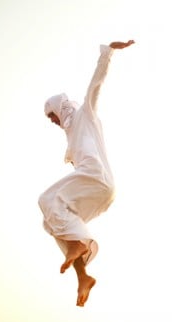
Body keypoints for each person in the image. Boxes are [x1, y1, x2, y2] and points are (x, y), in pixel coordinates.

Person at [39, 39, 135, 307]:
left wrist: (109, 52)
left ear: (60, 107)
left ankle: (79, 246)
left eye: (52, 116)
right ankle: (83, 276)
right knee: (53, 223)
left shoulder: (85, 114)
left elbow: (96, 84)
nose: (53, 121)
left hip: (96, 178)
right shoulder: (70, 135)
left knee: (46, 200)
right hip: (99, 192)